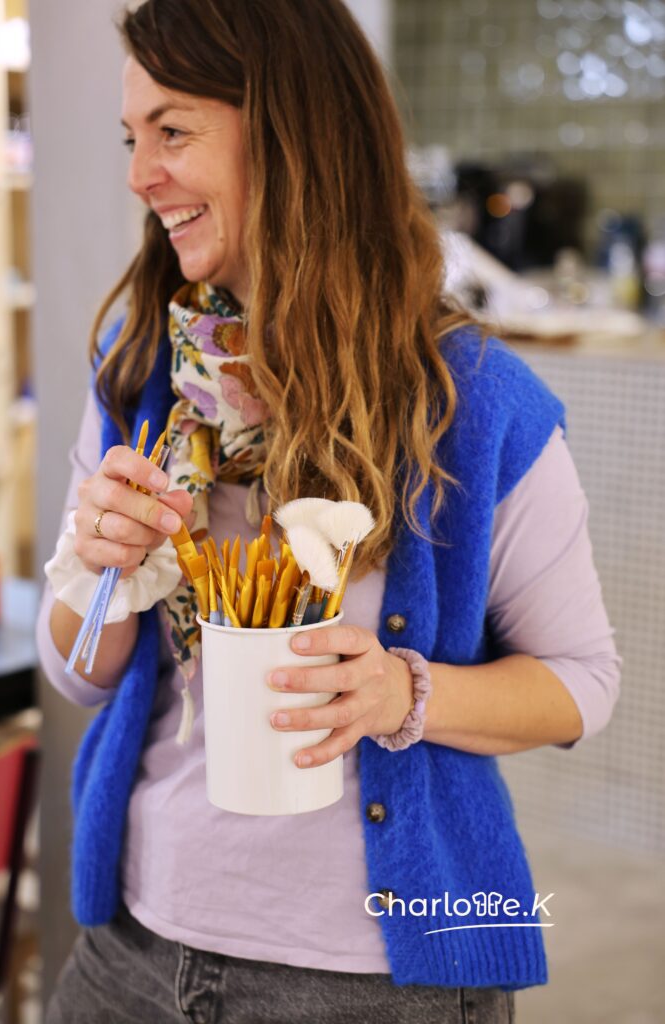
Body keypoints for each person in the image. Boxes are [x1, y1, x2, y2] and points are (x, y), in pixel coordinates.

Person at [38, 1, 621, 1021]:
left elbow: (582, 683)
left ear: (290, 132)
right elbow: (75, 676)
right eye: (132, 139)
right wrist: (98, 571)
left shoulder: (474, 406)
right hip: (130, 950)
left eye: (173, 132)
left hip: (370, 985)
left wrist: (403, 695)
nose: (140, 175)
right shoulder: (144, 375)